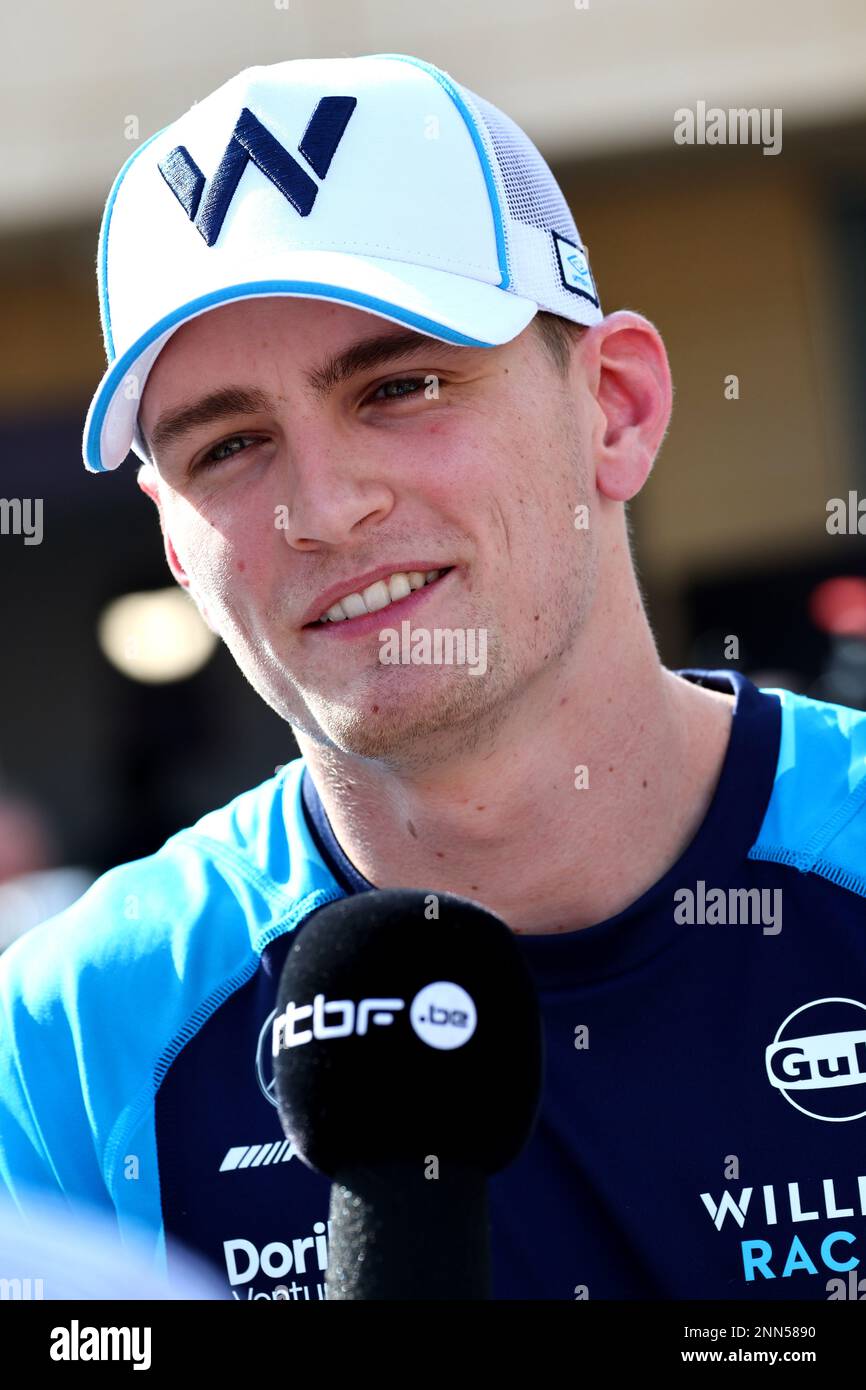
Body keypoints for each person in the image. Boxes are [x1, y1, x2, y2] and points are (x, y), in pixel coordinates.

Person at [2, 54, 865, 1302]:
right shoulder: (72, 1040)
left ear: (613, 409)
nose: (324, 507)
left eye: (401, 388)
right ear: (174, 541)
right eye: (231, 445)